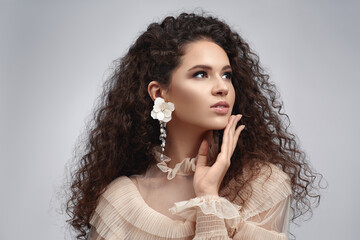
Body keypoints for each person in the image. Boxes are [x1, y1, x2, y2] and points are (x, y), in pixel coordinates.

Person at [66, 12, 322, 240]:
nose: (222, 87)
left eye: (227, 75)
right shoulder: (120, 203)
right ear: (159, 93)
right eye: (201, 74)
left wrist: (209, 196)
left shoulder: (263, 185)